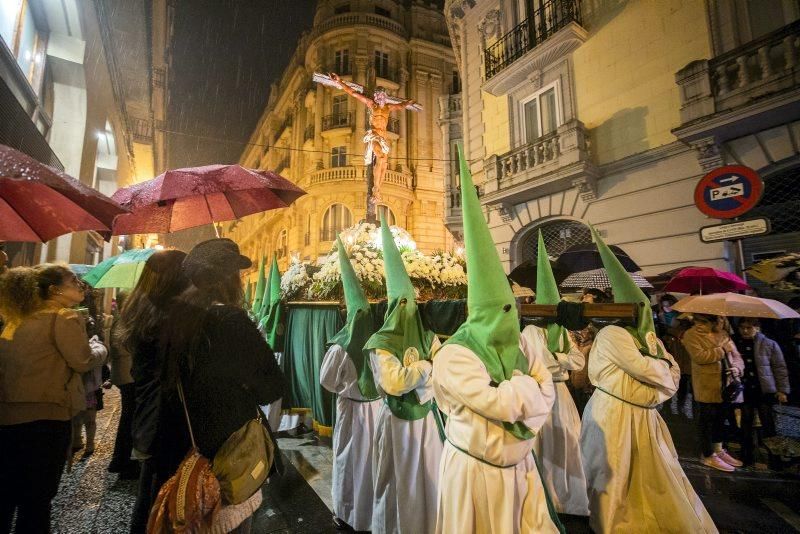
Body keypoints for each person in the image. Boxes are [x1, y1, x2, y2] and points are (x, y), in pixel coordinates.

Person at [433, 149, 559, 534]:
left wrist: (520, 391)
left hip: (521, 470)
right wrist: (527, 389)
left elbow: (546, 393)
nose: (514, 317)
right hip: (476, 474)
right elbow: (498, 403)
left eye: (514, 309)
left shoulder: (522, 344)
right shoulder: (455, 354)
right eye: (504, 310)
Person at [580, 229, 717, 534]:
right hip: (615, 414)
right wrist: (661, 369)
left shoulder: (647, 337)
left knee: (651, 477)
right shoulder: (614, 334)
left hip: (644, 415)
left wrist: (662, 370)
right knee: (615, 473)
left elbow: (671, 371)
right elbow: (647, 368)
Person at [156, 238, 287, 533]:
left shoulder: (172, 320)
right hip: (229, 455)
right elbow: (272, 387)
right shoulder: (232, 321)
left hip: (185, 452)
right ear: (228, 279)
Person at [0, 264, 106, 533]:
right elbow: (82, 360)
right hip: (48, 417)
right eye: (74, 281)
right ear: (55, 290)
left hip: (9, 416)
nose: (80, 286)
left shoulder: (17, 319)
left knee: (7, 493)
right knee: (37, 499)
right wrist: (99, 348)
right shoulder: (63, 318)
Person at [364, 217, 443, 534]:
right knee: (399, 483)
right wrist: (425, 369)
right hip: (397, 424)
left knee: (429, 479)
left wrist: (420, 373)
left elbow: (444, 367)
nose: (409, 310)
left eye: (413, 303)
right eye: (403, 303)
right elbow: (394, 382)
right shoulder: (380, 343)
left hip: (426, 422)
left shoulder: (428, 336)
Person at [115, 250, 191, 533]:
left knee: (149, 492)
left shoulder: (141, 310)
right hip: (171, 420)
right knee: (167, 498)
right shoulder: (175, 316)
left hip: (149, 417)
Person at [521, 231, 589, 516]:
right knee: (542, 444)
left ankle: (567, 498)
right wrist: (558, 362)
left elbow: (578, 361)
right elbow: (535, 363)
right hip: (539, 393)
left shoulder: (561, 331)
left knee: (568, 443)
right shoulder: (530, 331)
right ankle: (541, 495)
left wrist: (558, 358)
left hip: (562, 393)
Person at [320, 236, 383, 531]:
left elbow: (327, 381)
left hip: (351, 412)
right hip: (376, 411)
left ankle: (346, 513)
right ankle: (370, 515)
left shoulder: (340, 346)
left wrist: (346, 388)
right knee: (372, 464)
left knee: (348, 461)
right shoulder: (381, 343)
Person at [328, 72, 415, 202]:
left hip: (383, 138)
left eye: (382, 95)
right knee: (380, 157)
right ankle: (375, 188)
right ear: (375, 96)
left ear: (384, 97)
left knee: (384, 164)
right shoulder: (372, 105)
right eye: (378, 95)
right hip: (374, 136)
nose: (380, 97)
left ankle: (378, 189)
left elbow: (401, 106)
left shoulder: (388, 107)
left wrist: (409, 102)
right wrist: (339, 81)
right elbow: (354, 93)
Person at [683, 313, 744, 472]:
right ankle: (707, 454)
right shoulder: (691, 335)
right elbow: (700, 357)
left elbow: (737, 356)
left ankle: (718, 449)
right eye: (696, 321)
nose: (698, 325)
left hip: (725, 385)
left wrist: (737, 368)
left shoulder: (723, 334)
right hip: (705, 385)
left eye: (703, 322)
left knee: (720, 419)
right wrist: (723, 349)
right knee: (706, 421)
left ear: (714, 322)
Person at [734, 318, 790, 465]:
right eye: (742, 328)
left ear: (757, 328)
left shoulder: (769, 344)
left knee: (768, 425)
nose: (745, 331)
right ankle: (747, 455)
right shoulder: (736, 343)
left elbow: (779, 368)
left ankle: (775, 458)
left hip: (764, 390)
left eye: (749, 327)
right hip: (745, 390)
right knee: (745, 423)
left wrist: (782, 390)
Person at [108, 291, 140, 478]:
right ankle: (123, 460)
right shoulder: (126, 320)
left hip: (125, 375)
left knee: (129, 417)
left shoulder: (123, 319)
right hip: (129, 376)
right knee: (130, 418)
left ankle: (122, 459)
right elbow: (126, 348)